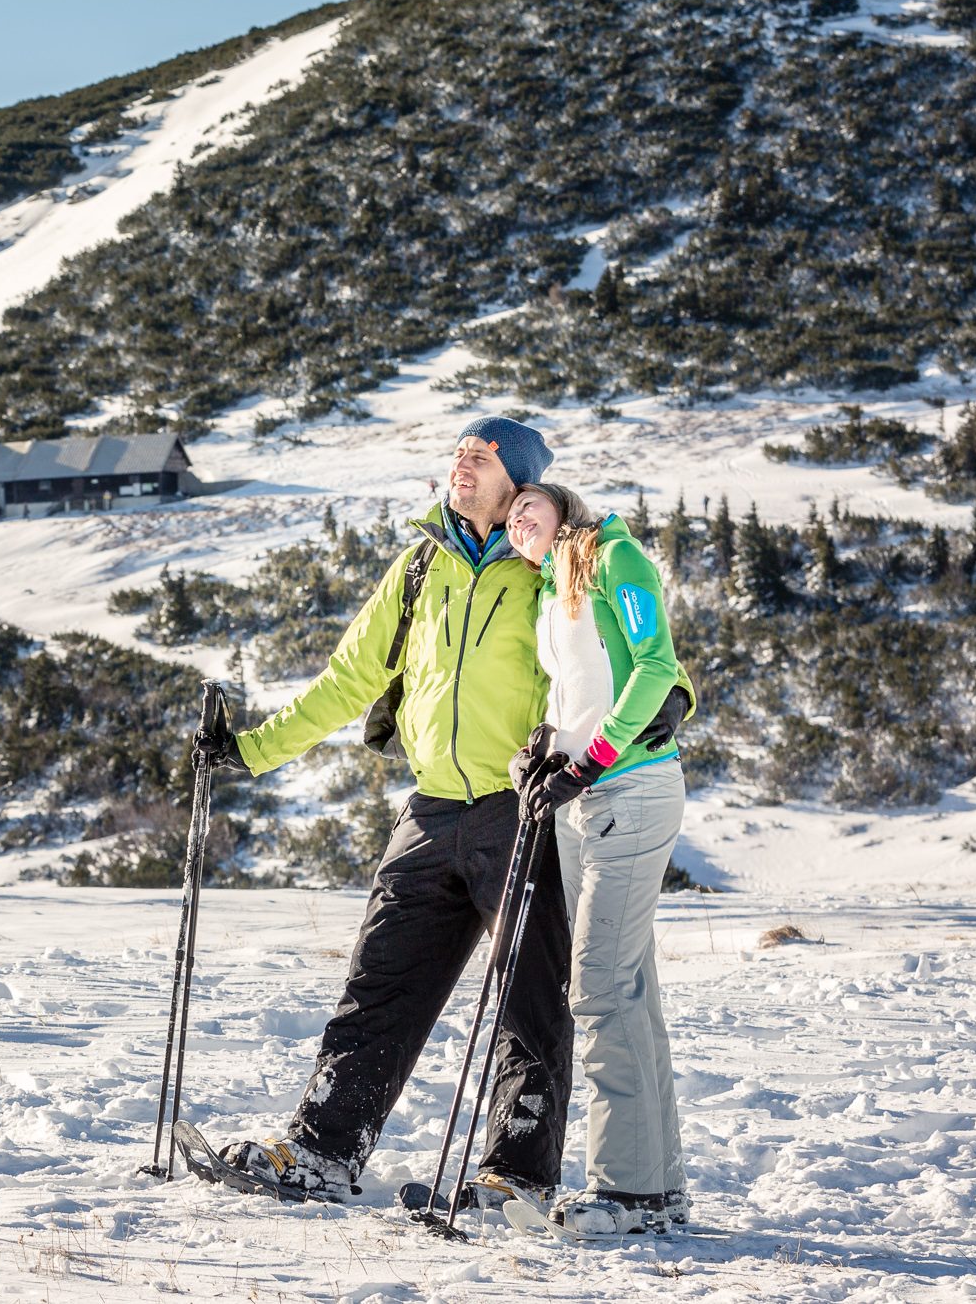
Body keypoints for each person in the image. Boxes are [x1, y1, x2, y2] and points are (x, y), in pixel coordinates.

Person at [194, 417, 687, 1208]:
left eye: (481, 455)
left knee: (532, 998)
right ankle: (324, 1147)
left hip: (519, 810)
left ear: (518, 480)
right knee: (378, 982)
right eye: (458, 451)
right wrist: (252, 751)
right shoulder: (422, 566)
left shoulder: (551, 564)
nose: (462, 462)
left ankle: (514, 1175)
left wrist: (676, 700)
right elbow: (347, 677)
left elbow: (640, 651)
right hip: (430, 809)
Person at [504, 481, 695, 1235]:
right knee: (632, 990)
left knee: (600, 988)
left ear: (563, 505)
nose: (519, 518)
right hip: (585, 801)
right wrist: (546, 749)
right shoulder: (554, 583)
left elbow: (654, 667)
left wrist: (592, 761)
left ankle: (628, 1191)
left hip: (632, 790)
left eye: (530, 504)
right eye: (511, 516)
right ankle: (661, 1186)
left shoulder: (615, 557)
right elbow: (579, 691)